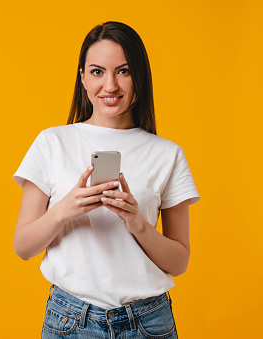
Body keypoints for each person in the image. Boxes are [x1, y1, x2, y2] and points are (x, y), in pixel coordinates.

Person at [13, 21, 200, 339]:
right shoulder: (51, 142)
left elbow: (179, 262)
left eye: (124, 71)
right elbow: (23, 246)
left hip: (148, 323)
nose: (110, 86)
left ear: (139, 76)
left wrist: (136, 222)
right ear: (82, 77)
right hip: (70, 320)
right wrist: (64, 210)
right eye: (98, 71)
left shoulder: (168, 154)